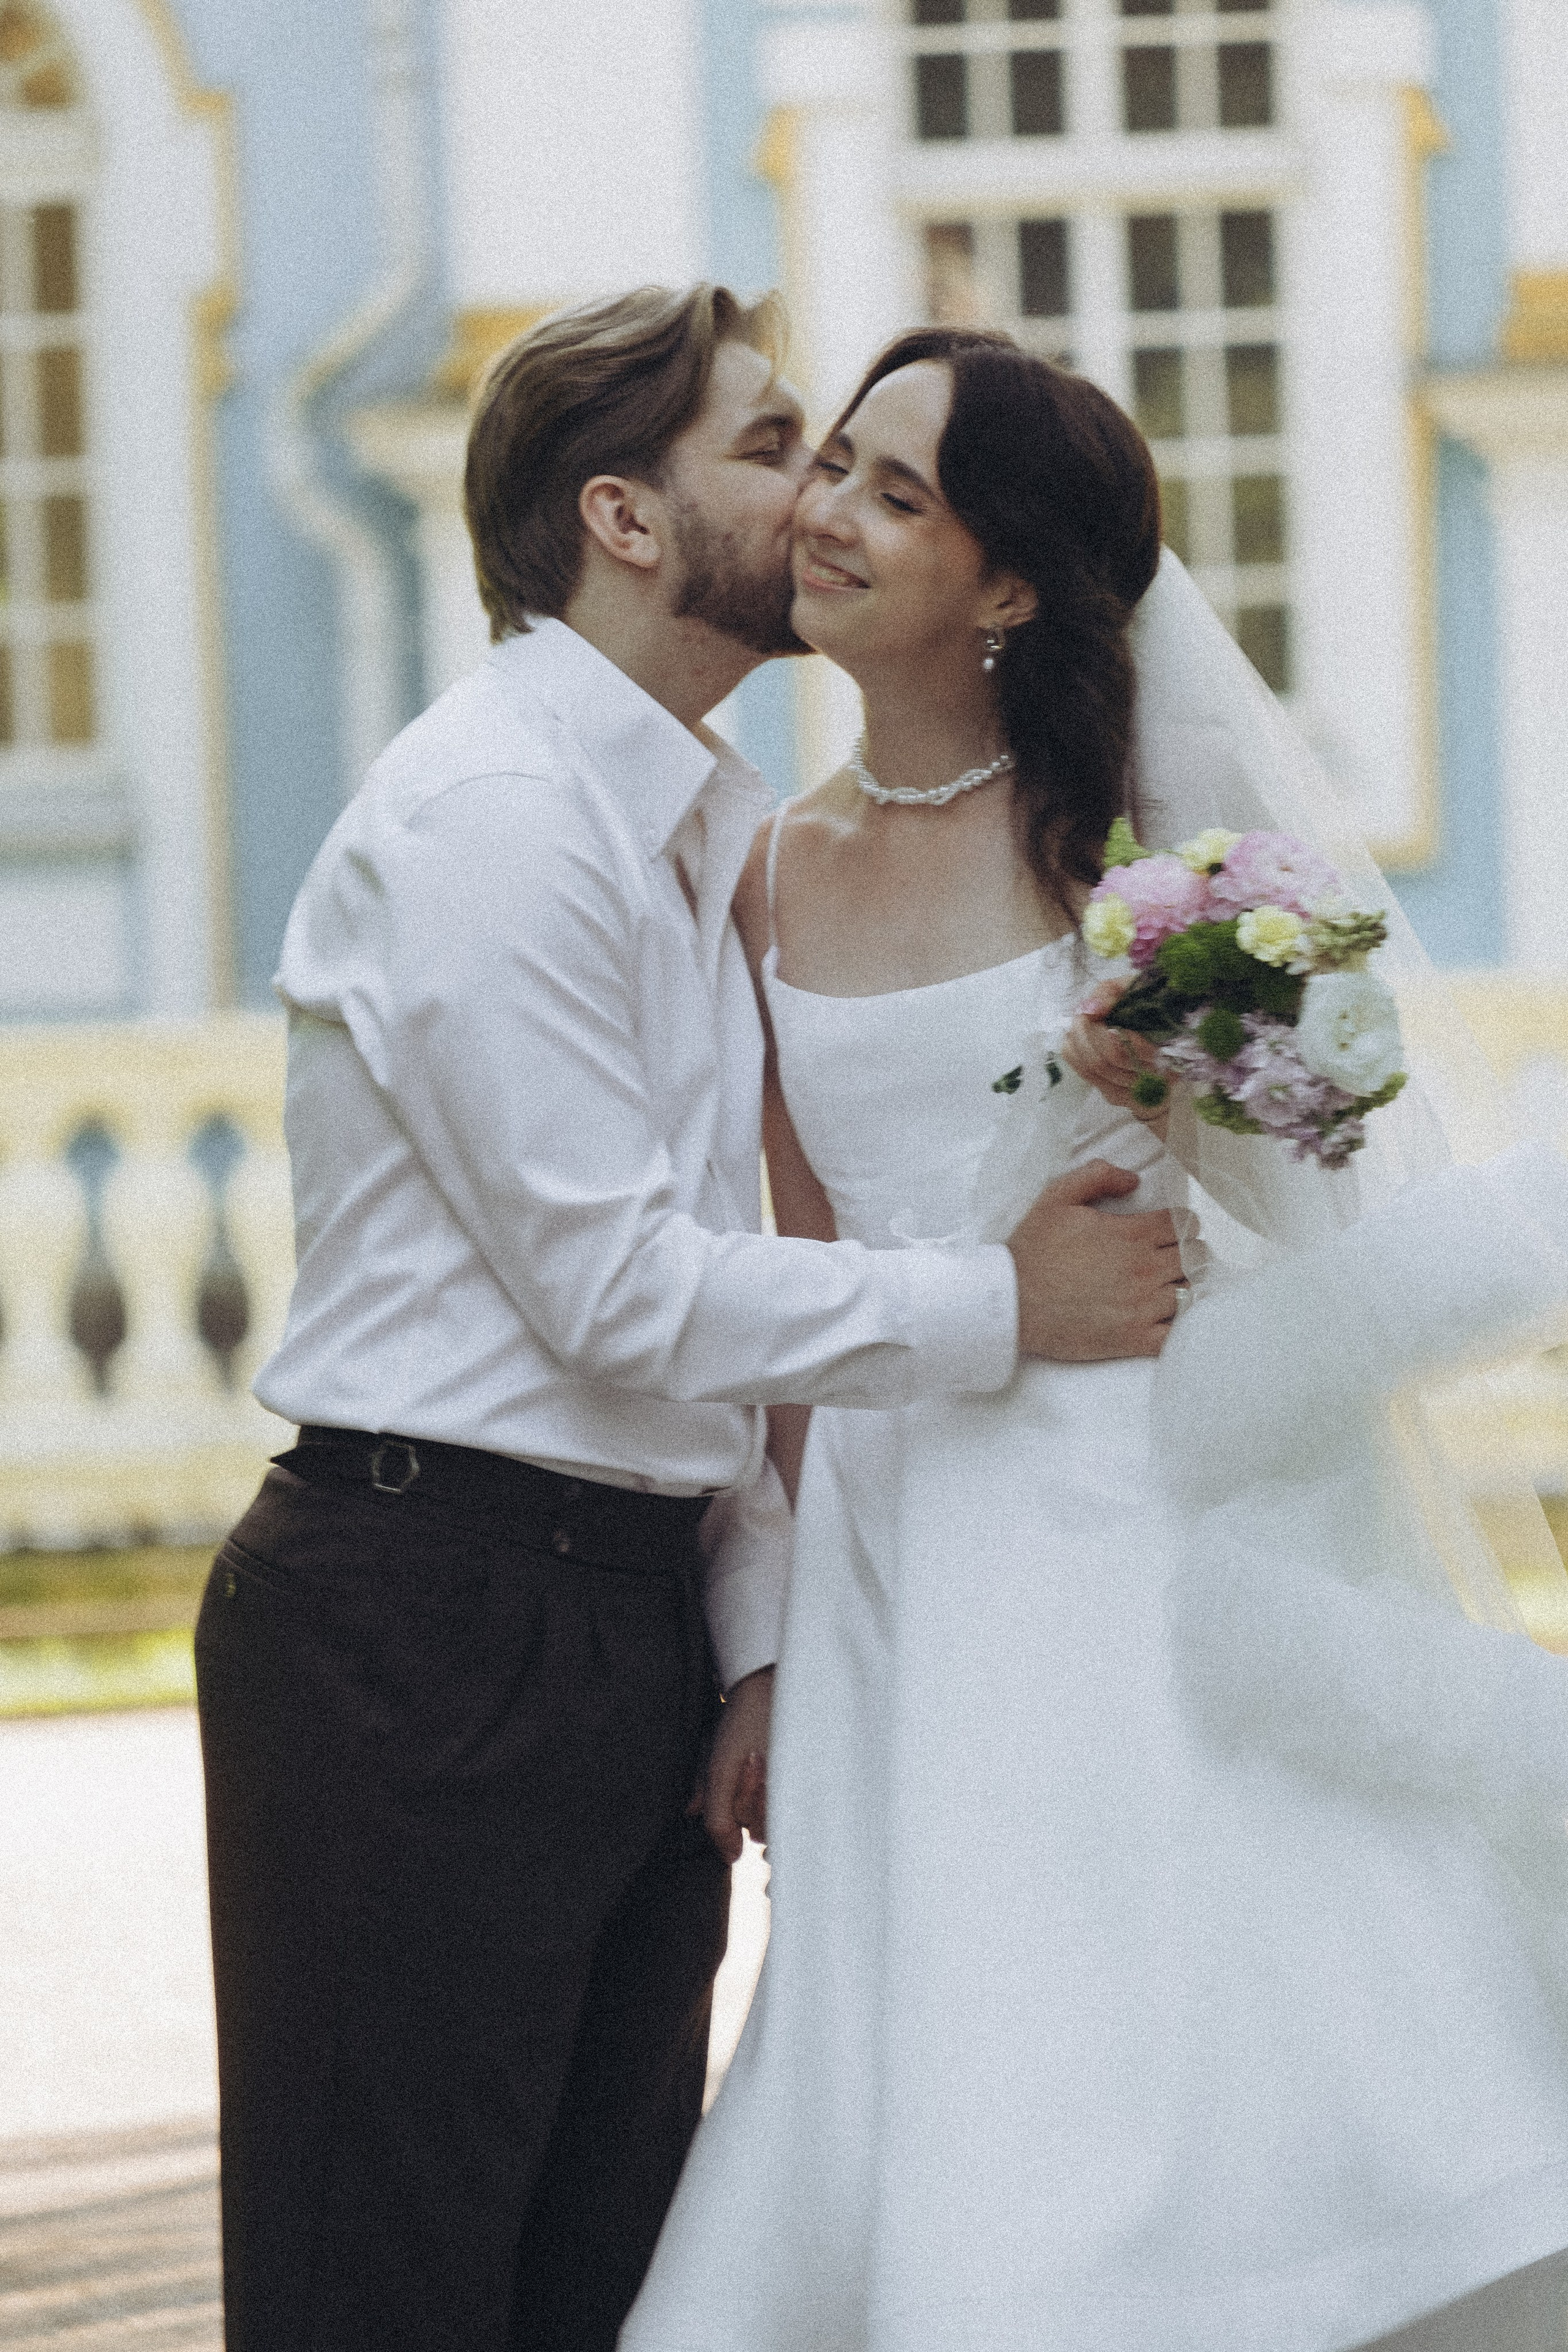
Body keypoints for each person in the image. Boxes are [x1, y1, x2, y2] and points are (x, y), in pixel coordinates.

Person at [192, 288, 1186, 2352]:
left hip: (615, 1613)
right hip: (423, 1613)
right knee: (388, 2279)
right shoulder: (496, 821)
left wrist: (749, 1638)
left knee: (597, 2279)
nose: (818, 494)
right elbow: (621, 1288)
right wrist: (1002, 1303)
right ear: (626, 520)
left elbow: (727, 1273)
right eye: (777, 447)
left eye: (848, 464)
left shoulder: (708, 834)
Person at [620, 328, 1568, 2352]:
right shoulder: (765, 870)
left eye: (899, 492)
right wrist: (762, 1641)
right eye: (837, 470)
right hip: (898, 1544)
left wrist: (1167, 1086)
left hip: (1129, 1496)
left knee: (1203, 1965)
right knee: (941, 1990)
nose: (833, 516)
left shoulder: (1128, 847)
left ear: (1017, 584)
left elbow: (1314, 1165)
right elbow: (789, 1274)